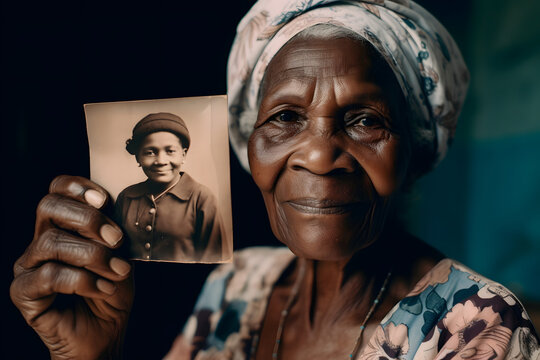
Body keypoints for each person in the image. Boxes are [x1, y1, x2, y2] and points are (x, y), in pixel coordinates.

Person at [10, 1, 540, 359]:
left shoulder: (477, 327)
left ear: (415, 150)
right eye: (285, 117)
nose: (318, 155)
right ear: (249, 145)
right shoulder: (236, 285)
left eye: (365, 120)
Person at [116, 112, 226, 263]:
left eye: (170, 151)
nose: (161, 161)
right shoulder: (127, 197)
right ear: (138, 158)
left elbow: (213, 260)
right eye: (150, 152)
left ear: (183, 154)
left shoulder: (202, 198)